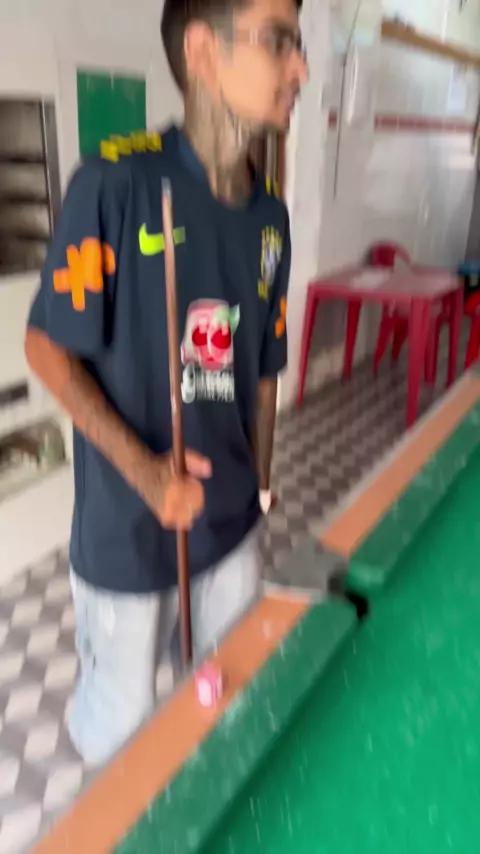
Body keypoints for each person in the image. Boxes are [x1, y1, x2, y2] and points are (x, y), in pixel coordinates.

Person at [25, 0, 308, 766]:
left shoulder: (271, 219)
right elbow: (46, 348)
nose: (300, 68)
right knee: (123, 731)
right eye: (279, 41)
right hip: (128, 529)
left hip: (230, 524)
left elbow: (265, 369)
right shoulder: (115, 184)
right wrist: (148, 474)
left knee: (228, 701)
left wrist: (260, 487)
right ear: (203, 52)